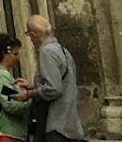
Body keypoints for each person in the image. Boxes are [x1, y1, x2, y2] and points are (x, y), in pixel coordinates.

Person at [26, 14, 84, 142]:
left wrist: (29, 94)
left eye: (29, 35)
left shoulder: (46, 52)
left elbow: (54, 89)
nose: (30, 39)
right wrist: (34, 86)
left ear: (34, 34)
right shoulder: (62, 50)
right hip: (69, 121)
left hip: (55, 122)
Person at [0, 33, 34, 141]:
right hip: (8, 134)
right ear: (4, 54)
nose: (18, 58)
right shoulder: (1, 76)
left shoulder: (4, 75)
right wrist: (32, 100)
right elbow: (9, 104)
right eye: (15, 54)